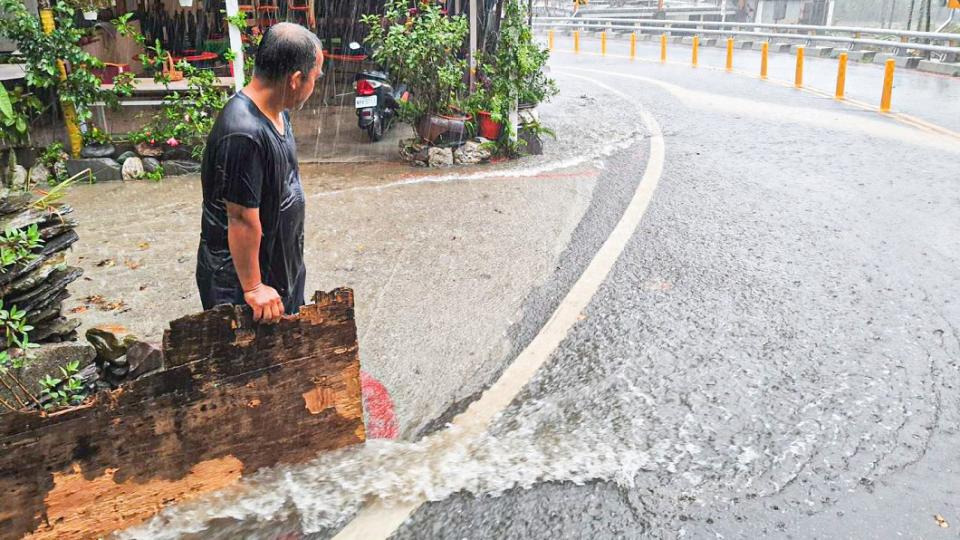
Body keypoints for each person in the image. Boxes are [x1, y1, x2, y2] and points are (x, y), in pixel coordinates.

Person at [196, 22, 324, 323]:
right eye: (314, 78)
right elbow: (240, 217)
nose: (315, 85)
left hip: (279, 272)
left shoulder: (277, 112)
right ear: (295, 79)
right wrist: (253, 287)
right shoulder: (243, 132)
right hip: (246, 290)